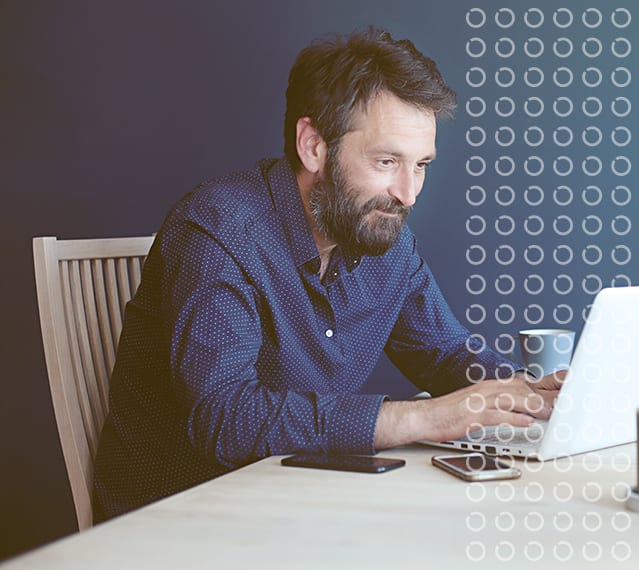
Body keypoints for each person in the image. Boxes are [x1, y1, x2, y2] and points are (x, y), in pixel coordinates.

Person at [92, 27, 562, 521]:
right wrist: (422, 417)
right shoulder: (218, 230)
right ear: (314, 145)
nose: (408, 193)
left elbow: (444, 354)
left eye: (421, 164)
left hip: (303, 503)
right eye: (386, 161)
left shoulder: (384, 238)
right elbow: (223, 416)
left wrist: (530, 394)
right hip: (180, 522)